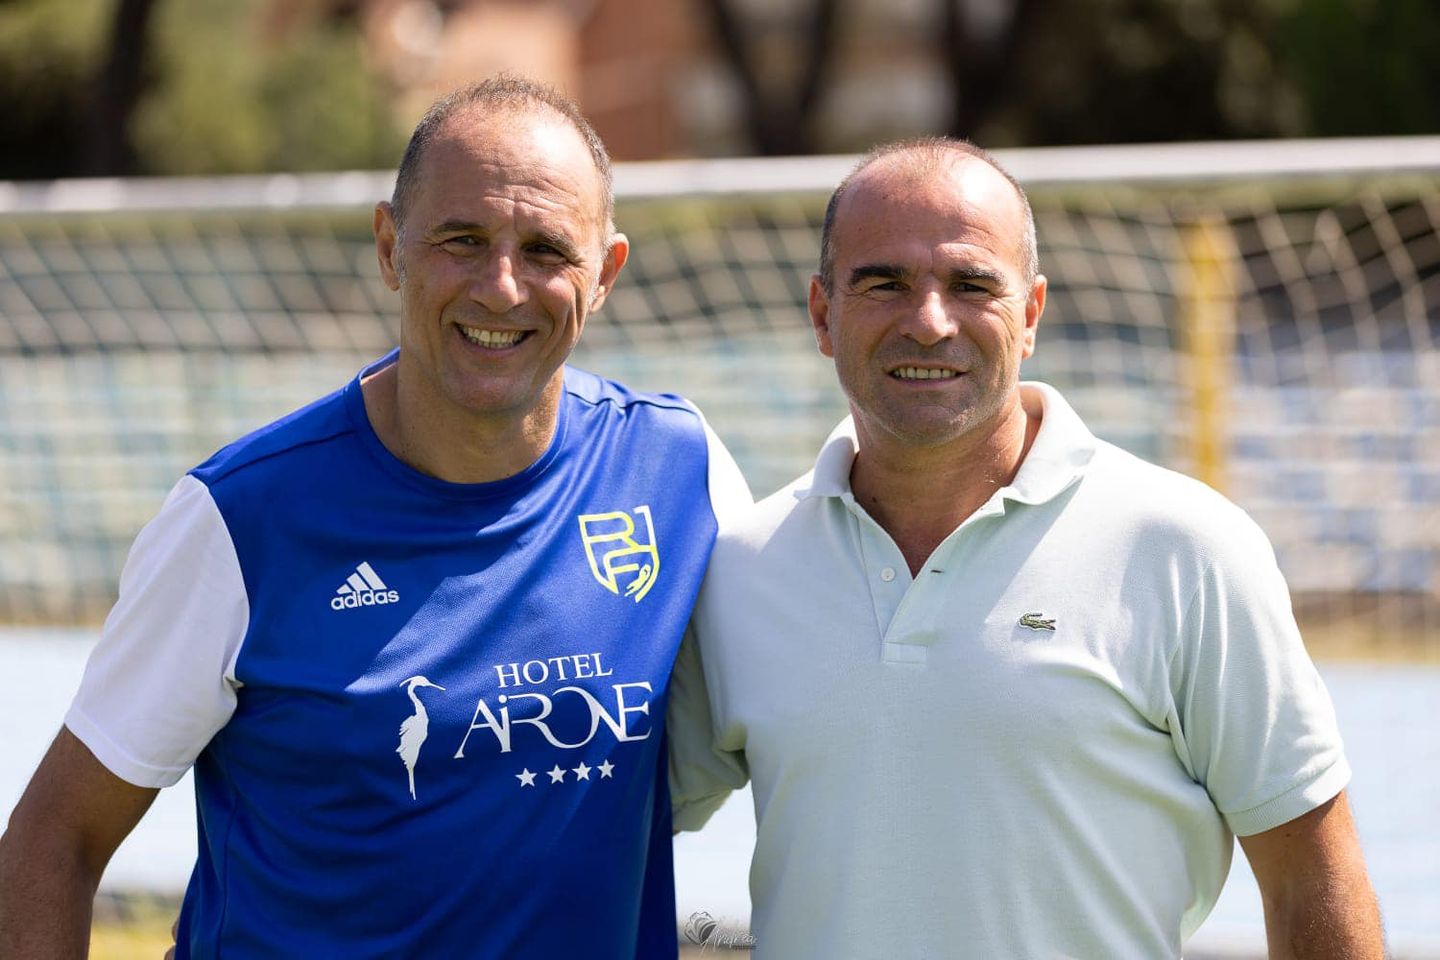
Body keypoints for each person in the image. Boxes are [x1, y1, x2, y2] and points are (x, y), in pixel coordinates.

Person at [0, 76, 749, 959]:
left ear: (607, 273)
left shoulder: (677, 470)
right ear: (391, 248)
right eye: (462, 240)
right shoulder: (241, 519)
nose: (502, 288)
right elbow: (54, 841)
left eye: (547, 250)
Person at [673, 138, 1385, 958]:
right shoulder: (743, 566)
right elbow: (611, 815)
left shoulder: (1187, 548)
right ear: (822, 315)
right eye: (884, 283)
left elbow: (1312, 882)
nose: (929, 321)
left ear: (1032, 314)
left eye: (972, 284)